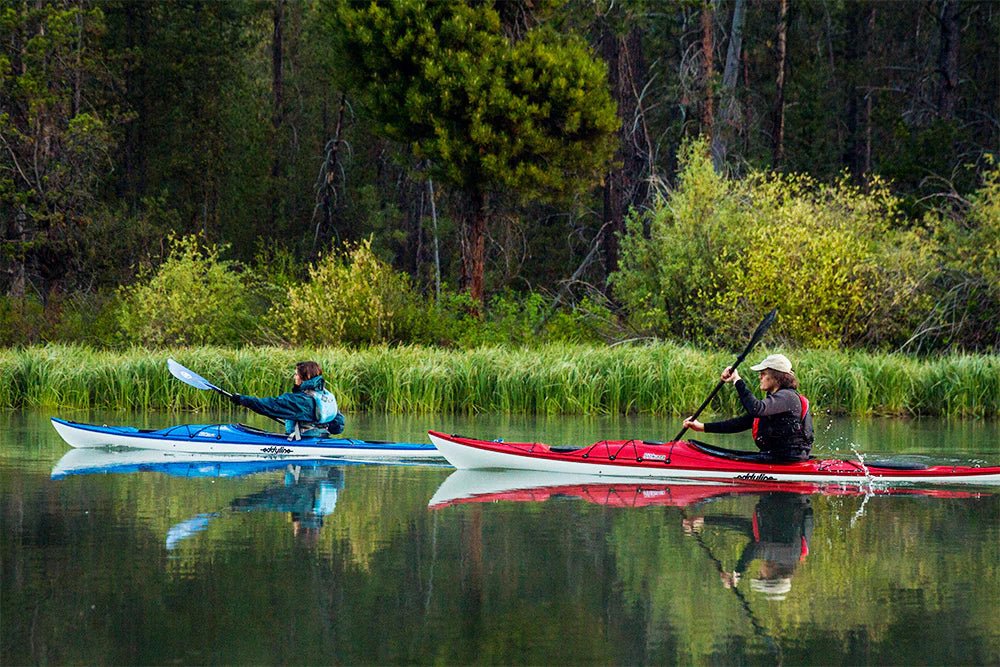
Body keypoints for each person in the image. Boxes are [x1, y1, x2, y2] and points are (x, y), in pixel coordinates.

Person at [682, 353, 813, 461]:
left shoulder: (787, 397)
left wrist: (737, 380)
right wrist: (702, 427)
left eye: (763, 373)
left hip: (787, 460)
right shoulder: (776, 402)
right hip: (777, 457)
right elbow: (739, 424)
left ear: (776, 377)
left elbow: (756, 408)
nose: (759, 377)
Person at [230, 361, 345, 439]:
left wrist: (242, 400)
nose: (294, 377)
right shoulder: (326, 395)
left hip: (304, 442)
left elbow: (269, 406)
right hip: (322, 439)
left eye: (296, 374)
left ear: (305, 378)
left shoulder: (300, 400)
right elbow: (338, 426)